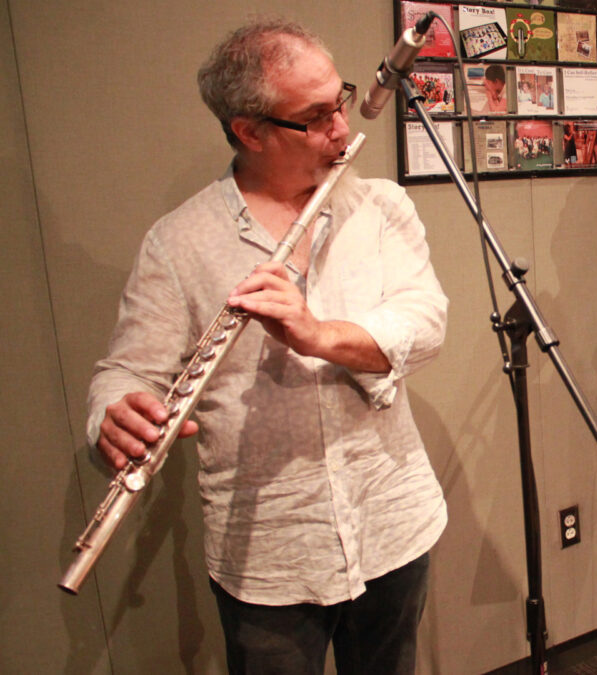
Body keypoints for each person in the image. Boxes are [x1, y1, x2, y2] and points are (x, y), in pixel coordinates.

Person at [87, 19, 448, 674]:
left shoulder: (381, 207)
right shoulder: (179, 243)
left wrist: (318, 334)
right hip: (269, 553)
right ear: (248, 130)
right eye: (314, 117)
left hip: (390, 517)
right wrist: (115, 412)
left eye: (337, 101)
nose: (340, 128)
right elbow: (125, 372)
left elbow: (425, 326)